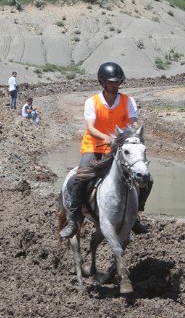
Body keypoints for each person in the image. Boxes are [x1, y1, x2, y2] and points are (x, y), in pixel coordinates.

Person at [59, 62, 152, 238]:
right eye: (112, 82)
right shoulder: (92, 102)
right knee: (79, 179)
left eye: (118, 82)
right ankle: (73, 220)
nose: (116, 85)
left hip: (118, 149)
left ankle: (135, 216)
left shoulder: (128, 101)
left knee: (146, 178)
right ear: (103, 82)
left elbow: (133, 122)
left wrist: (132, 134)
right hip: (94, 147)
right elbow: (91, 127)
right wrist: (106, 137)